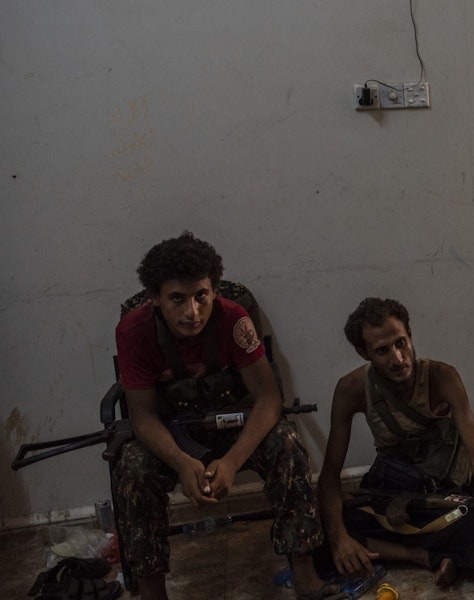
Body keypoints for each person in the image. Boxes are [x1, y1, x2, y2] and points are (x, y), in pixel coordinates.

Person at [112, 232, 344, 600]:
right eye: (177, 299)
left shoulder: (234, 319)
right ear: (155, 298)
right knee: (133, 467)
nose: (193, 311)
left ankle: (306, 575)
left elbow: (268, 399)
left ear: (214, 290)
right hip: (172, 435)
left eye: (202, 296)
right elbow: (142, 419)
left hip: (233, 427)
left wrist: (233, 461)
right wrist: (182, 461)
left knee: (286, 443)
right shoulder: (133, 331)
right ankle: (152, 592)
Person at [316, 298, 474, 596]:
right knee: (322, 528)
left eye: (401, 343)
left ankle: (426, 550)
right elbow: (329, 476)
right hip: (396, 488)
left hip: (445, 491)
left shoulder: (443, 378)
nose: (398, 358)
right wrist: (339, 539)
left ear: (411, 335)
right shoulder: (351, 390)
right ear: (364, 353)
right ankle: (427, 557)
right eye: (382, 350)